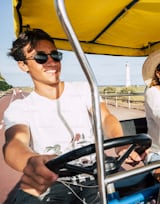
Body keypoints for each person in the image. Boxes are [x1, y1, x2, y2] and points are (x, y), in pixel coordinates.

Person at [3, 29, 143, 204]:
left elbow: (106, 117)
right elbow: (15, 143)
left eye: (55, 55)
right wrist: (30, 161)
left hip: (95, 173)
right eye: (40, 57)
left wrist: (121, 143)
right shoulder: (20, 107)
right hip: (54, 180)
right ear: (23, 65)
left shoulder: (83, 89)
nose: (51, 62)